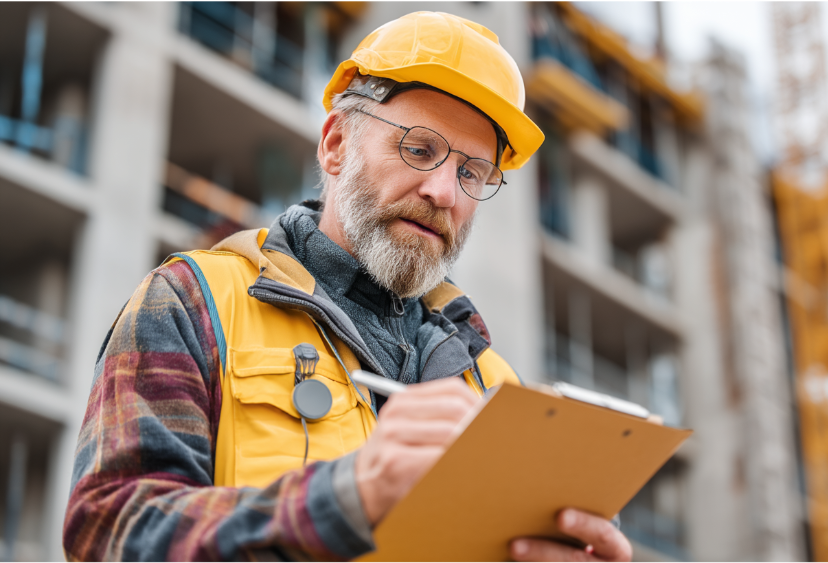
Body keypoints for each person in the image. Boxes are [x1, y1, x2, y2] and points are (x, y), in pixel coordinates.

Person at [63, 11, 631, 563]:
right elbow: (108, 531)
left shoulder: (499, 390)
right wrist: (343, 499)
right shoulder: (194, 303)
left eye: (471, 172)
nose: (444, 192)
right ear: (335, 144)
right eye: (420, 148)